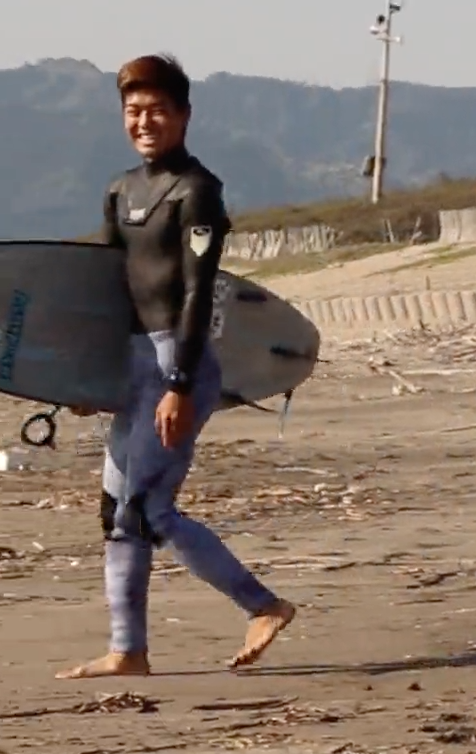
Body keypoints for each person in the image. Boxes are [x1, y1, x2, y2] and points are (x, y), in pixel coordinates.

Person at [57, 54, 298, 679]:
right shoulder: (120, 190)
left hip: (176, 361)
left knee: (147, 510)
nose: (145, 121)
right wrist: (88, 377)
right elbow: (106, 290)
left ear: (184, 115)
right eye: (133, 111)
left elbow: (197, 293)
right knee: (118, 512)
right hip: (131, 360)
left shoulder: (197, 191)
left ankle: (264, 606)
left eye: (158, 110)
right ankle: (127, 651)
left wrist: (180, 384)